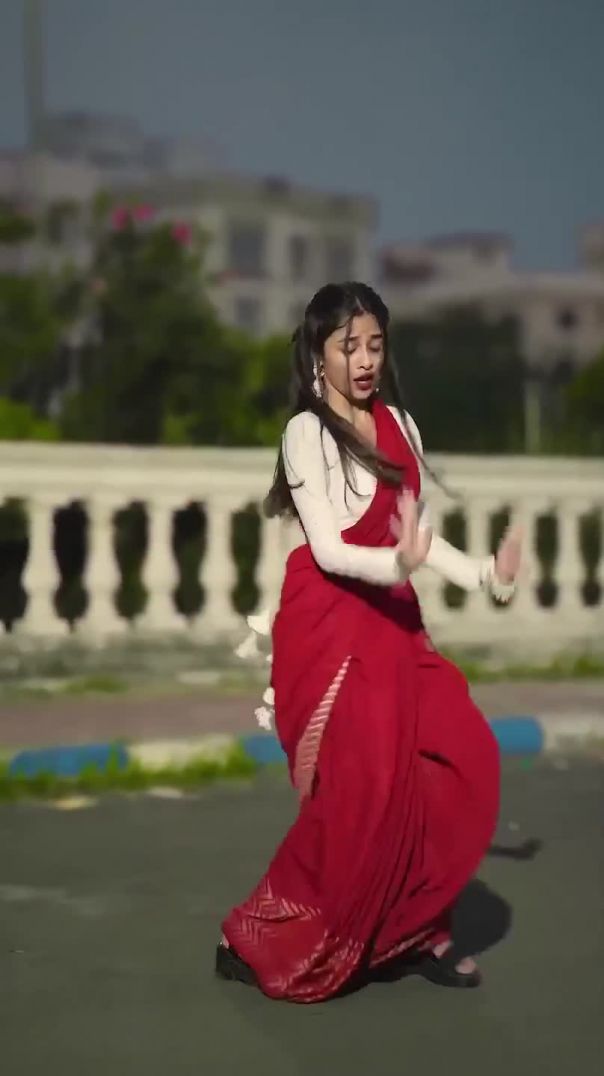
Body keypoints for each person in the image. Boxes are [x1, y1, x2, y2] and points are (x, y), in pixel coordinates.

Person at [216, 282, 521, 1004]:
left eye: (374, 345)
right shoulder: (305, 433)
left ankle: (414, 928)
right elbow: (329, 550)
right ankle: (256, 932)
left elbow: (416, 535)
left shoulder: (401, 425)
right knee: (364, 794)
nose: (364, 360)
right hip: (330, 623)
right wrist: (398, 565)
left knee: (460, 755)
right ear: (317, 354)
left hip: (393, 618)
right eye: (347, 345)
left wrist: (487, 575)